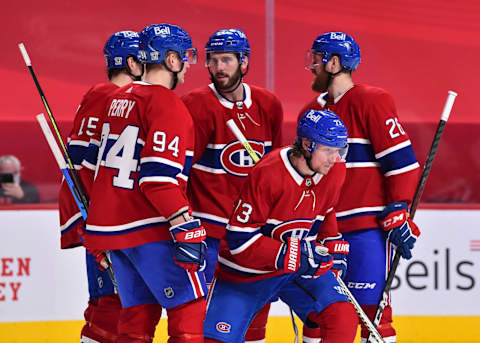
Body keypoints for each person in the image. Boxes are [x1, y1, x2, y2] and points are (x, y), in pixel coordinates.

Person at [80, 24, 207, 343]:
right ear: (172, 60)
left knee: (137, 316)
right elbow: (158, 179)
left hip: (113, 232)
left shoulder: (117, 99)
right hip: (149, 226)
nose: (189, 66)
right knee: (190, 311)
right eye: (186, 57)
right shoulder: (166, 103)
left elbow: (94, 165)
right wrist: (184, 222)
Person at [299, 32, 421, 343]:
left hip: (365, 229)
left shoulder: (372, 101)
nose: (312, 66)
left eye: (316, 58)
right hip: (323, 231)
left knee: (373, 315)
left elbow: (403, 163)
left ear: (334, 62)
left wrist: (400, 207)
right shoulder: (311, 113)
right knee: (318, 316)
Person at [203, 109, 357, 343]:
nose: (334, 159)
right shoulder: (267, 173)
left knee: (342, 317)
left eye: (339, 150)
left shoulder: (335, 171)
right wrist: (292, 253)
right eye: (327, 150)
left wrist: (331, 243)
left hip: (295, 270)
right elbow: (239, 239)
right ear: (307, 144)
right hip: (245, 274)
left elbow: (326, 210)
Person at [181, 28, 284, 342]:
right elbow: (180, 172)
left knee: (254, 320)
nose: (218, 68)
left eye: (226, 59)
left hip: (254, 235)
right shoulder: (195, 104)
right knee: (206, 323)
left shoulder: (268, 104)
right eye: (212, 61)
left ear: (245, 62)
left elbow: (280, 169)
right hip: (211, 235)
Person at [58, 31, 143, 343]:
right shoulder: (113, 98)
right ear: (132, 62)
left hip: (98, 215)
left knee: (108, 302)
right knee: (113, 303)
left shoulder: (100, 95)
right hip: (103, 218)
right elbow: (96, 169)